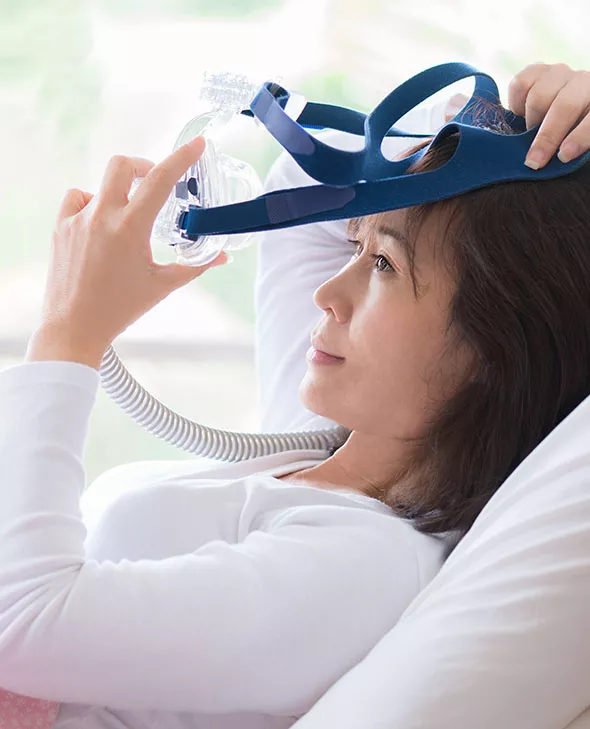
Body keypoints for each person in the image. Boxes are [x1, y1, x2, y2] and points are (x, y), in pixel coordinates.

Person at [0, 61, 587, 729]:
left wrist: (67, 331)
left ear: (493, 348)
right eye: (354, 244)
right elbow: (306, 180)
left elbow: (21, 624)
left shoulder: (362, 565)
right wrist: (504, 126)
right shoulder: (321, 439)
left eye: (384, 265)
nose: (327, 293)